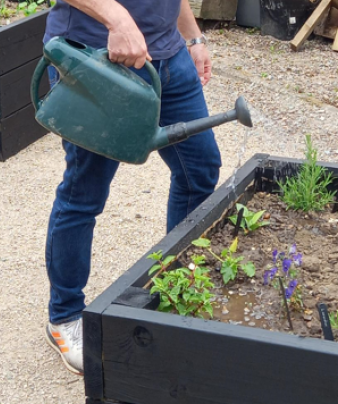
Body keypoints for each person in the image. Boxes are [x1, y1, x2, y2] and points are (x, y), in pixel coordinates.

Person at [42, 0, 221, 375]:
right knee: (84, 192)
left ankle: (176, 289)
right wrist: (117, 17)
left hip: (169, 57)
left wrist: (192, 37)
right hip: (97, 59)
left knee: (199, 170)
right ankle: (65, 317)